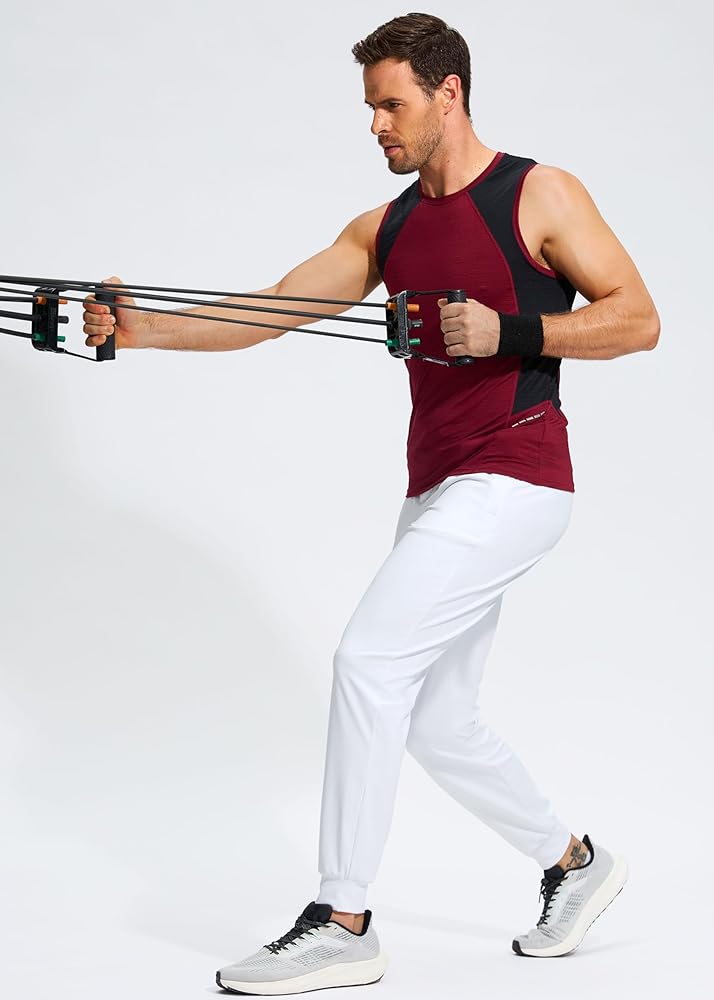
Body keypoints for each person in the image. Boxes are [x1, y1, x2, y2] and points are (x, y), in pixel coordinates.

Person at [83, 11, 659, 995]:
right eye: (370, 107)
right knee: (438, 720)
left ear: (449, 93)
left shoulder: (538, 193)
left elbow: (638, 319)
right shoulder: (384, 228)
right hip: (437, 488)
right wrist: (141, 329)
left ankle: (342, 917)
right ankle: (575, 862)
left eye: (391, 105)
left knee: (367, 660)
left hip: (518, 473)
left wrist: (514, 330)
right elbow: (268, 311)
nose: (376, 125)